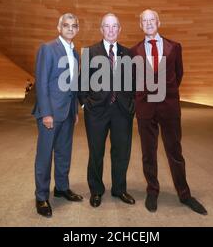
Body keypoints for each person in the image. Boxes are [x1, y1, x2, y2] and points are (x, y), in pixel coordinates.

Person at [130, 9, 207, 215]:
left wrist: (167, 93)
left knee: (174, 152)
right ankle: (152, 190)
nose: (148, 23)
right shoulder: (134, 51)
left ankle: (184, 194)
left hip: (169, 107)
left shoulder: (174, 47)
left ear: (159, 22)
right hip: (145, 108)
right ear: (140, 25)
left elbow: (178, 74)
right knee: (148, 152)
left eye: (152, 20)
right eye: (144, 20)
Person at [79, 13, 135, 208]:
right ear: (101, 29)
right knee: (96, 152)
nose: (111, 30)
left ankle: (119, 189)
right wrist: (85, 104)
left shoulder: (128, 54)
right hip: (96, 112)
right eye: (107, 26)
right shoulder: (90, 52)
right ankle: (96, 190)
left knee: (121, 152)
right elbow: (82, 82)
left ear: (120, 29)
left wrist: (131, 105)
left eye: (115, 26)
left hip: (122, 112)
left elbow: (133, 83)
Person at [31, 13, 83, 218]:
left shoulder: (75, 53)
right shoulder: (48, 48)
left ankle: (61, 188)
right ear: (59, 28)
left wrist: (75, 110)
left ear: (77, 30)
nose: (70, 28)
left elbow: (73, 85)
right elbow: (41, 82)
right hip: (50, 114)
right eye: (66, 25)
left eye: (74, 26)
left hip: (68, 113)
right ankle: (41, 196)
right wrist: (46, 113)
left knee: (64, 153)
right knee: (45, 156)